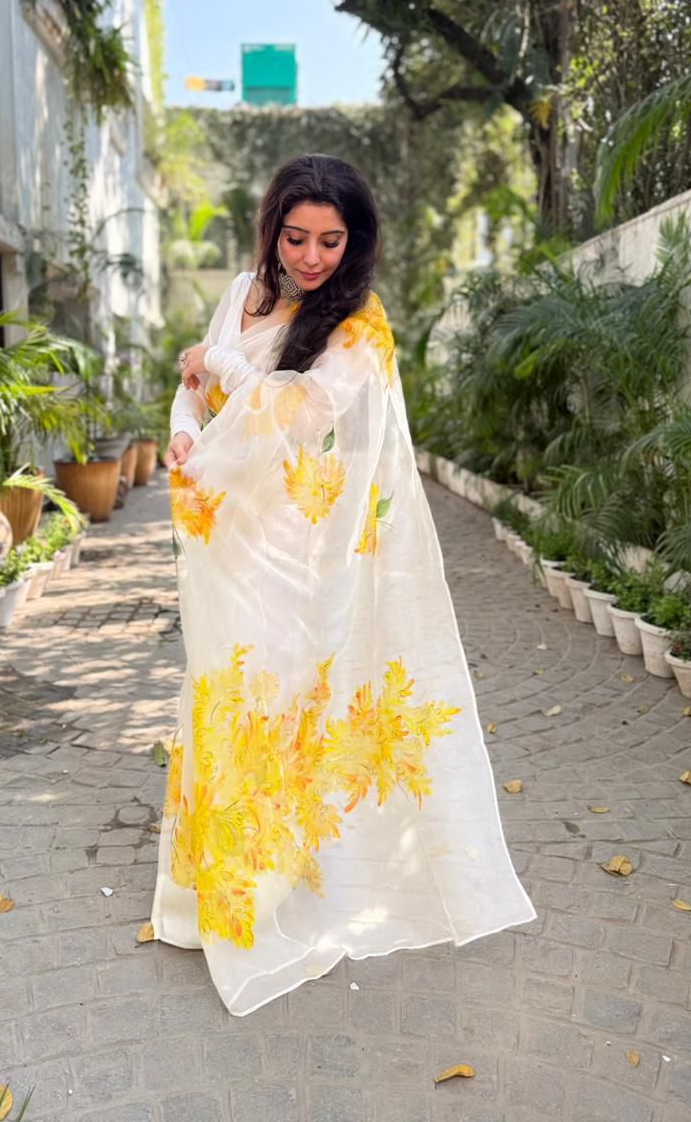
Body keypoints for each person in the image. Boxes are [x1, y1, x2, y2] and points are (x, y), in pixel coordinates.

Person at [149, 154, 535, 1016]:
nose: (312, 257)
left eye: (332, 240)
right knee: (219, 696)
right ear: (272, 229)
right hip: (229, 532)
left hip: (302, 548)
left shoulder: (360, 326)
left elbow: (300, 414)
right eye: (296, 237)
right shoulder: (245, 294)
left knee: (281, 699)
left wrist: (218, 362)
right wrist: (184, 432)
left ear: (355, 241)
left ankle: (272, 889)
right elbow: (193, 397)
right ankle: (203, 896)